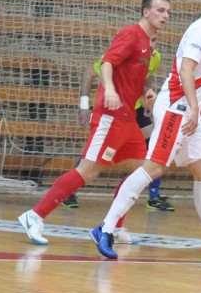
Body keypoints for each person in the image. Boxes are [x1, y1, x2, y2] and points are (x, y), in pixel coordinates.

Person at [88, 0, 201, 262]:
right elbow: (185, 70)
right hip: (178, 109)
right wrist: (193, 107)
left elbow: (190, 74)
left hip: (188, 109)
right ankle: (105, 228)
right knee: (153, 168)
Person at [17, 0, 171, 246]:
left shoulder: (147, 45)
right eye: (161, 10)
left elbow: (133, 78)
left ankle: (113, 226)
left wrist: (146, 91)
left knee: (144, 171)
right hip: (110, 117)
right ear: (146, 12)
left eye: (168, 12)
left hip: (127, 120)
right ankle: (34, 216)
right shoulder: (131, 34)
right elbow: (108, 63)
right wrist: (109, 90)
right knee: (87, 172)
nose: (165, 16)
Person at [62, 52, 176, 215]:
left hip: (135, 109)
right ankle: (68, 193)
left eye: (155, 40)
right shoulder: (125, 50)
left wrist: (146, 97)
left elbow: (146, 76)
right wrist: (84, 106)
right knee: (95, 155)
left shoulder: (155, 56)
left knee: (153, 148)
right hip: (113, 109)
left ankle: (153, 197)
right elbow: (89, 73)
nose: (152, 43)